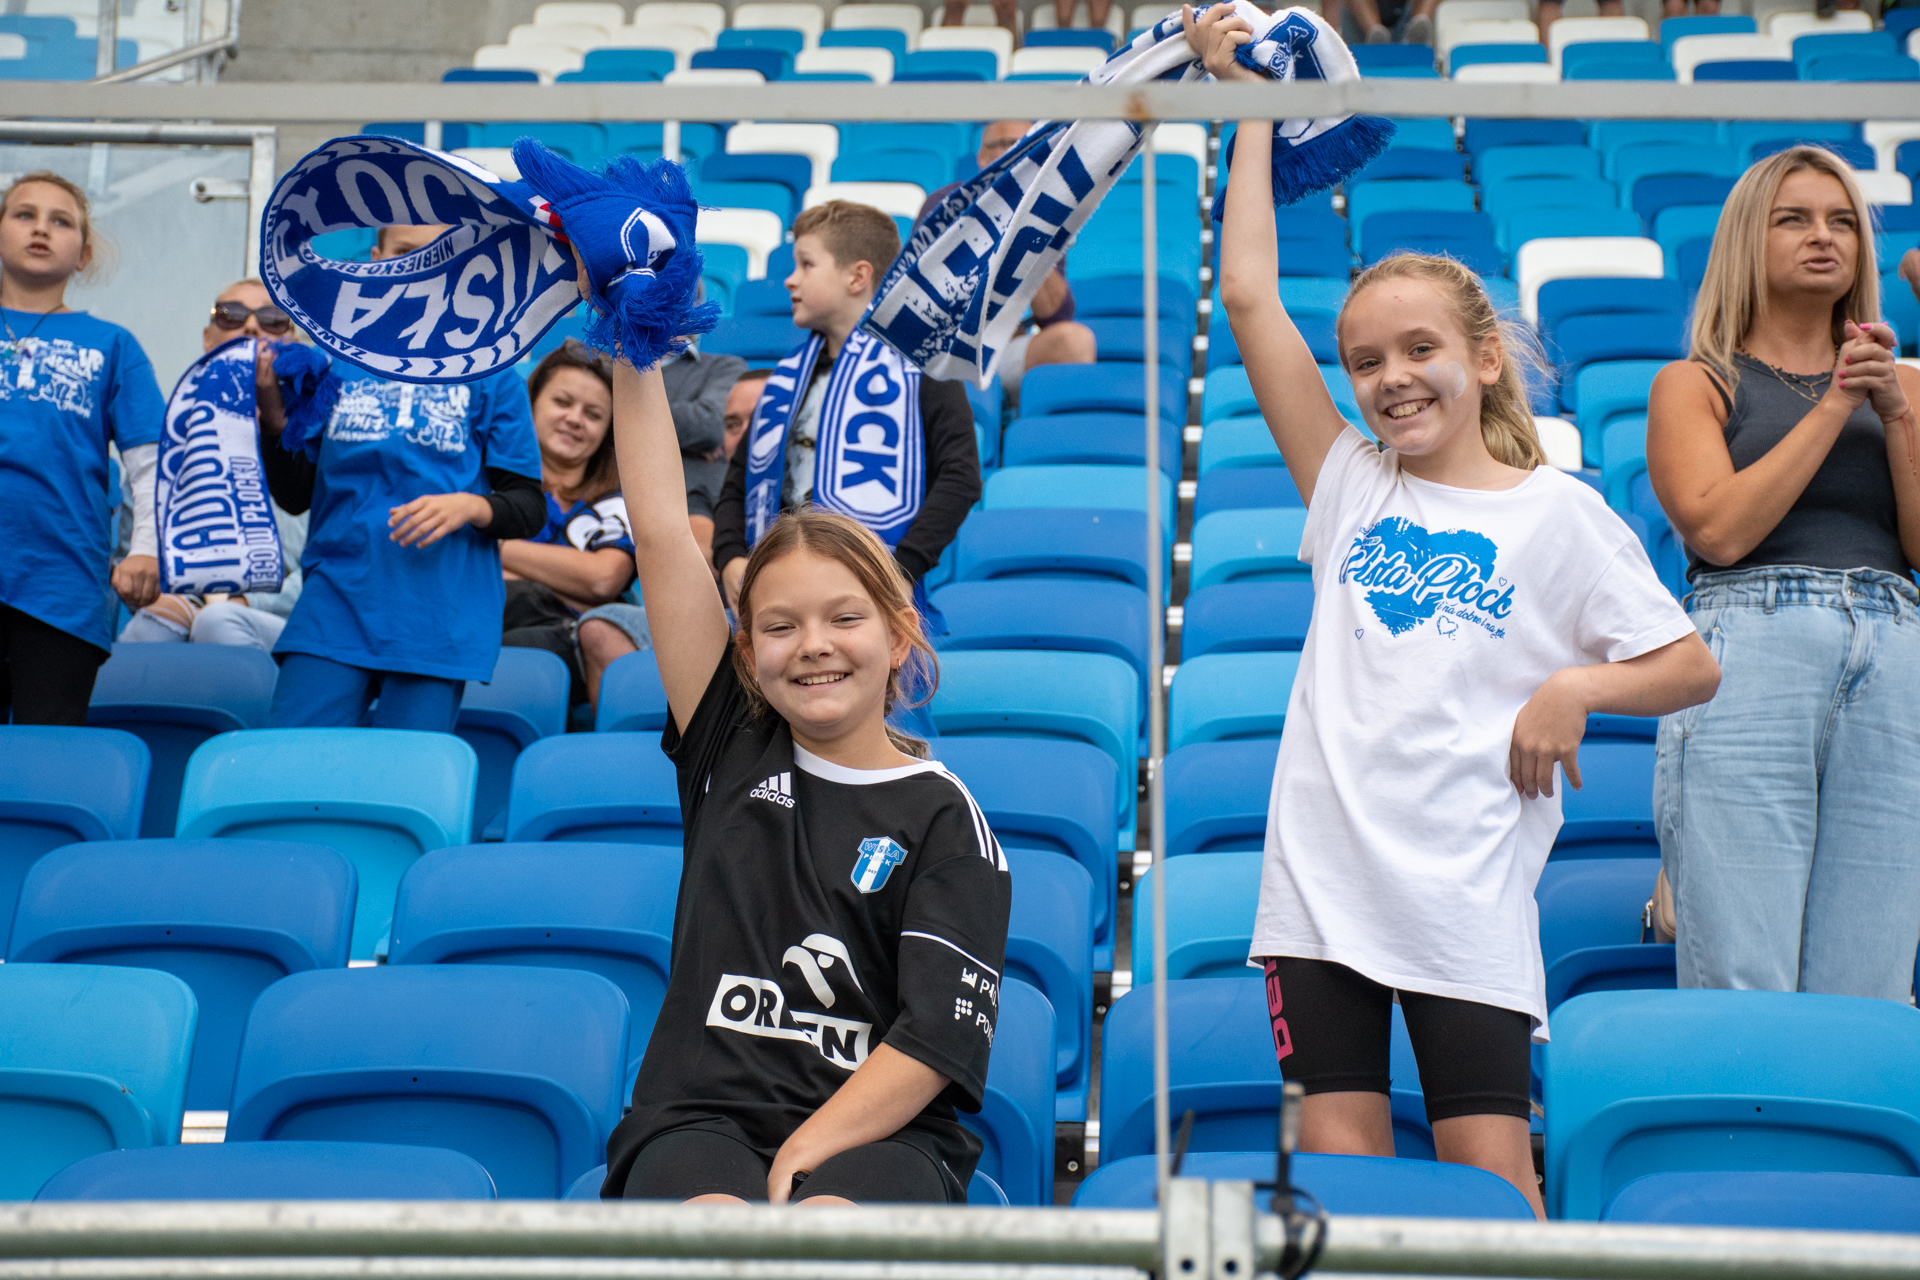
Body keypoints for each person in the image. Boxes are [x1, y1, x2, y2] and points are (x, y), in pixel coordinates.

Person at [1188, 4, 1721, 1218]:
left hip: (1465, 893)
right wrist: (1249, 114)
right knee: (1344, 1183)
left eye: (1417, 348)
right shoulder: (1349, 483)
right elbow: (1251, 297)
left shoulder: (1558, 513)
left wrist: (1577, 686)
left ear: (1484, 357)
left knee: (1492, 1184)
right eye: (1365, 361)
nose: (1390, 378)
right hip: (1320, 886)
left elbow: (1690, 664)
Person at [594, 305, 1012, 1205]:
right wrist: (631, 338)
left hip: (880, 1133)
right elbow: (661, 528)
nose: (813, 644)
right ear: (748, 655)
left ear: (898, 636)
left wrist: (802, 1153)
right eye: (780, 627)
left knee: (824, 1233)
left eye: (844, 618)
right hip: (697, 1122)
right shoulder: (731, 743)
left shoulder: (945, 817)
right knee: (713, 1231)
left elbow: (933, 1039)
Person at [1645, 146, 1920, 1000]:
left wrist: (1897, 413)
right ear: (1745, 241)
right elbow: (1719, 532)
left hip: (1897, 647)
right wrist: (1839, 401)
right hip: (1751, 638)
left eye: (1842, 222)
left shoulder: (1904, 390)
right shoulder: (1694, 382)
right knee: (1743, 976)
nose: (1823, 236)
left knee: (1870, 985)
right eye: (1792, 219)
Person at [256, 223, 545, 732]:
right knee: (290, 761)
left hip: (436, 620)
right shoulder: (335, 360)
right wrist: (275, 425)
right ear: (375, 259)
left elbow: (527, 505)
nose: (422, 266)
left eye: (442, 254)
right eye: (405, 252)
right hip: (332, 607)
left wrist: (469, 506)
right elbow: (296, 494)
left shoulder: (493, 371)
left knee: (406, 774)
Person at [710, 201, 981, 617]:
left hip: (877, 592)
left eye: (806, 264)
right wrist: (730, 555)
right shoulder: (786, 379)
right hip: (777, 590)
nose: (790, 279)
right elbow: (738, 482)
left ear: (857, 276)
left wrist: (902, 568)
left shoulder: (922, 368)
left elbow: (960, 477)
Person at [0, 171, 165, 725]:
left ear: (84, 254)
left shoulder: (114, 344)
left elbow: (151, 465)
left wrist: (145, 549)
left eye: (61, 221)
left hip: (61, 586)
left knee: (46, 758)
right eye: (24, 214)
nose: (41, 229)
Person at [119, 279, 307, 652]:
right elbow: (134, 551)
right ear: (208, 338)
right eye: (231, 315)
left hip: (288, 617)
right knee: (154, 625)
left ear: (294, 341)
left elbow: (334, 556)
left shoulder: (321, 436)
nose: (250, 326)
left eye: (272, 319)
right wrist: (170, 598)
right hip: (188, 598)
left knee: (218, 622)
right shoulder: (175, 436)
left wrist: (247, 602)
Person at [915, 121, 1097, 406]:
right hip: (945, 351)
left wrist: (1027, 229)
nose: (1008, 153)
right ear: (981, 157)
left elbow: (1056, 317)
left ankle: (1043, 432)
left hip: (1004, 350)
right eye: (998, 145)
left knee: (1075, 342)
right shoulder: (946, 203)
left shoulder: (1050, 212)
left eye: (1020, 145)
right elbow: (916, 294)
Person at [498, 339, 638, 708]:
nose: (575, 419)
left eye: (593, 414)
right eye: (562, 402)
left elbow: (603, 579)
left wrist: (497, 548)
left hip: (563, 646)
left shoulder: (618, 500)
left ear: (608, 430)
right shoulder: (486, 482)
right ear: (531, 404)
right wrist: (567, 583)